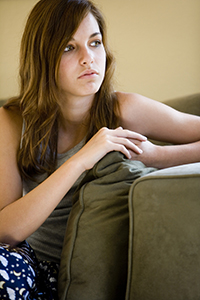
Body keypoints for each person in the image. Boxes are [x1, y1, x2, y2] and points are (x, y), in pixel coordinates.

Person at [0, 0, 199, 298]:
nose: (88, 58)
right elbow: (5, 232)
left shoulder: (123, 109)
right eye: (69, 47)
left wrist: (156, 156)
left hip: (74, 270)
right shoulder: (13, 120)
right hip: (24, 260)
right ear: (42, 56)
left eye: (95, 43)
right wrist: (80, 160)